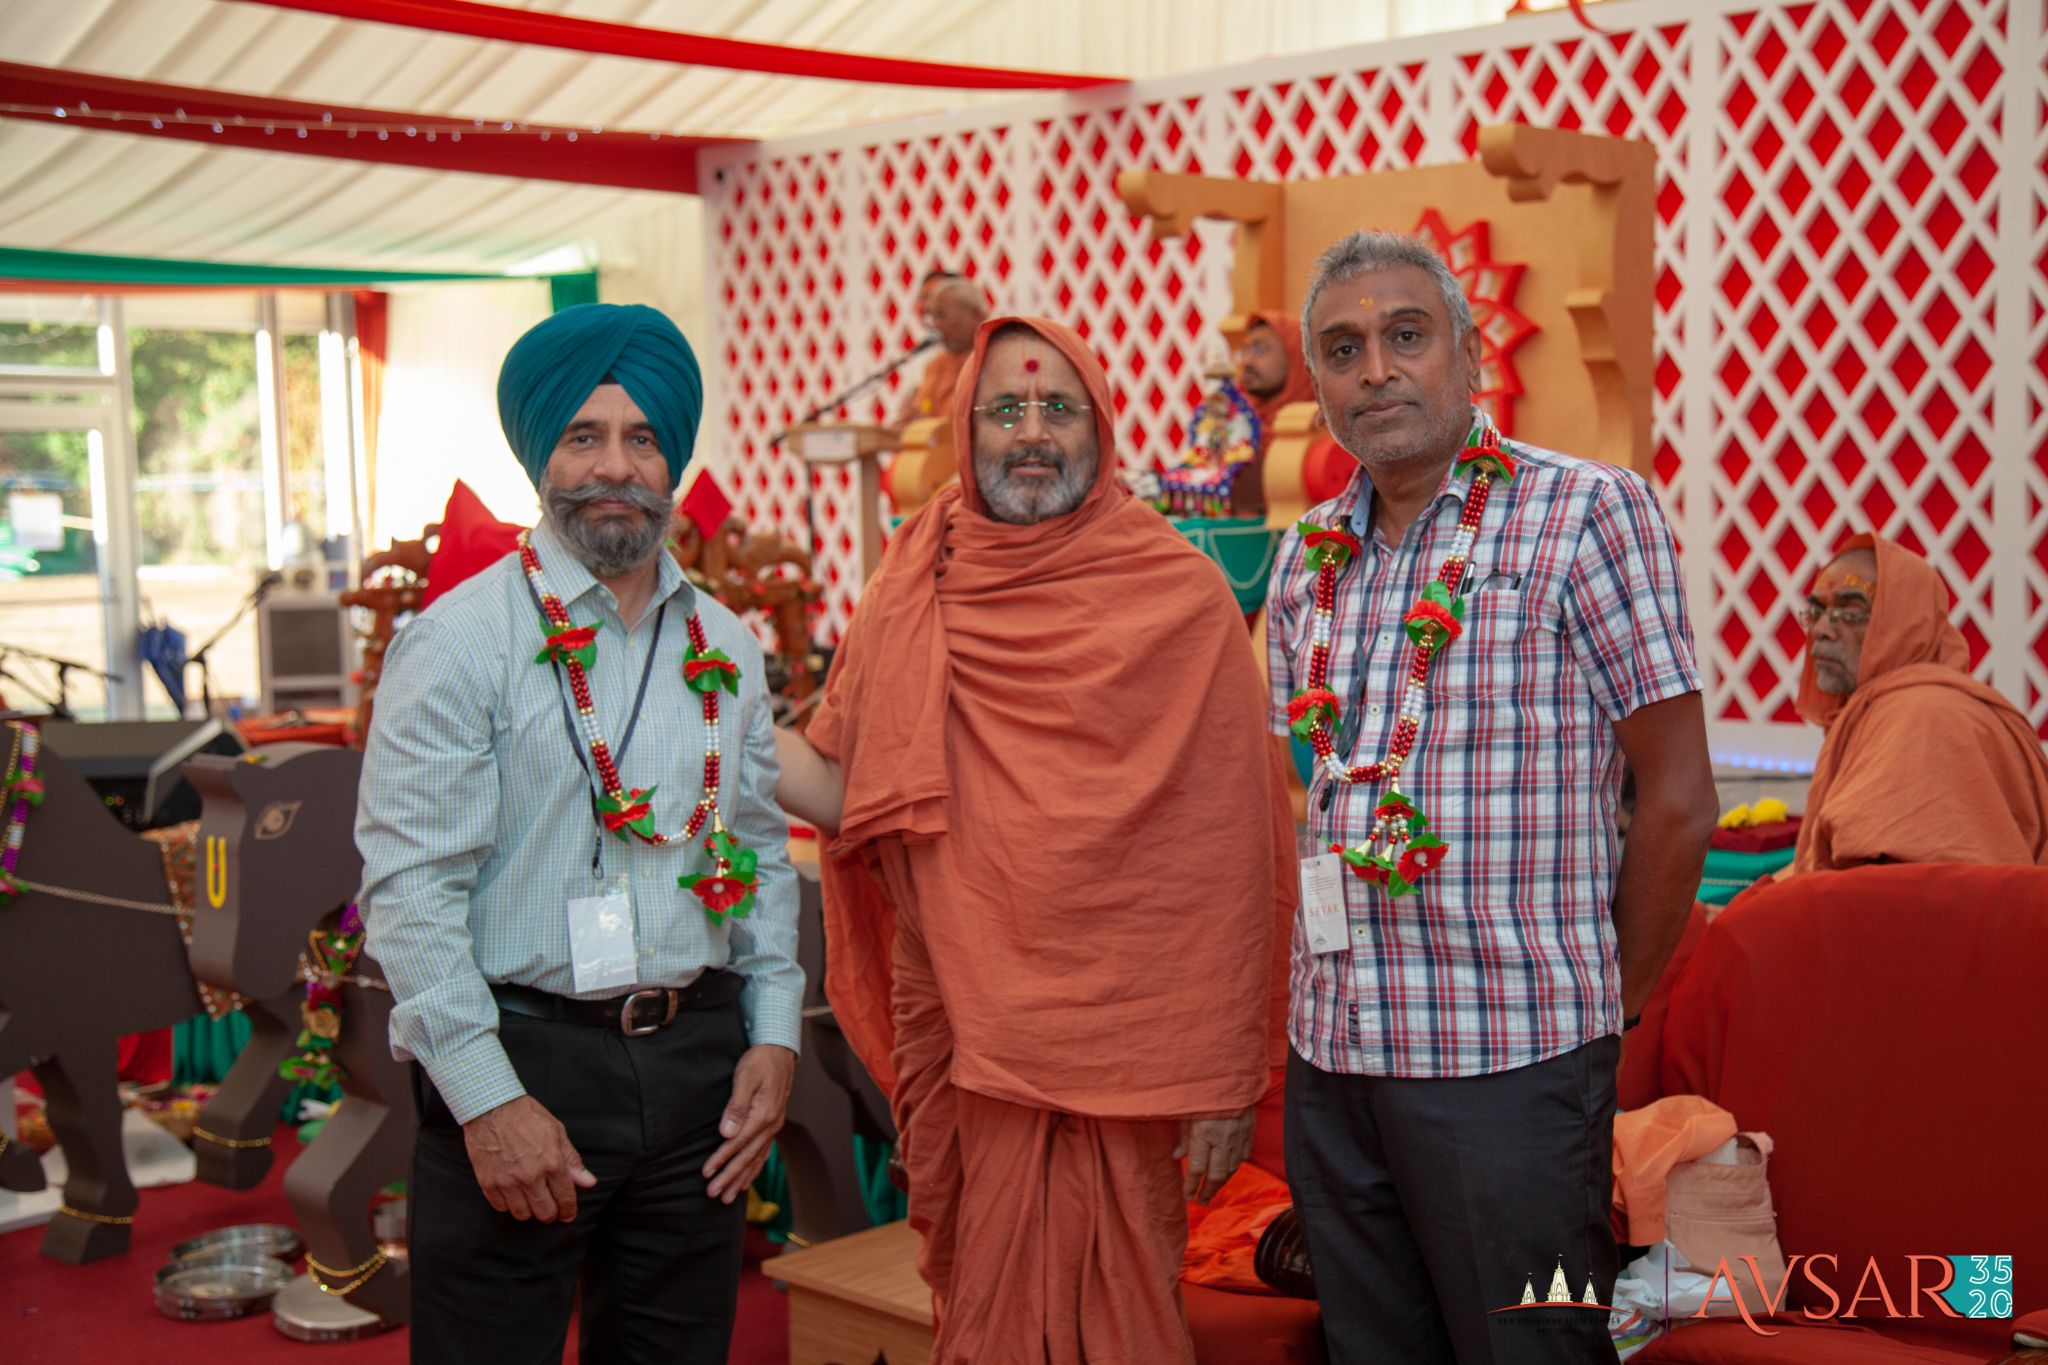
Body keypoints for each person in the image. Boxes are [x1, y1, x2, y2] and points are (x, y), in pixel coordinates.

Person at [777, 316, 1294, 1365]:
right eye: (1003, 409)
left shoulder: (1180, 601)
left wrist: (1226, 1079)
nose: (1029, 432)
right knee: (980, 1302)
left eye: (1057, 407)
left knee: (1119, 1316)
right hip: (965, 1032)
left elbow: (1232, 863)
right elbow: (848, 790)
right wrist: (701, 695)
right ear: (964, 432)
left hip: (1122, 1048)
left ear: (1100, 428)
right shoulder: (907, 590)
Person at [1265, 232, 1718, 1363]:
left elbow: (1676, 798)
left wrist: (1598, 1015)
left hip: (1508, 1068)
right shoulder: (1304, 556)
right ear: (1316, 385)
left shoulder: (1584, 514)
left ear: (1469, 358)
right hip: (1334, 1058)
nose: (1374, 369)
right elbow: (1301, 794)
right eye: (1342, 348)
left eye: (1404, 336)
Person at [358, 303, 803, 1365]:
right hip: (521, 1055)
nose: (616, 465)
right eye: (584, 436)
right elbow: (408, 892)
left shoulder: (727, 646)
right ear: (539, 455)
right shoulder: (461, 644)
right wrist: (486, 1100)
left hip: (697, 1068)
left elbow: (758, 853)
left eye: (643, 438)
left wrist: (774, 1033)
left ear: (673, 462)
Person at [1791, 533, 2048, 872]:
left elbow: (1902, 896)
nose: (1822, 629)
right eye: (1817, 611)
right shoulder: (1883, 710)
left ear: (1906, 622)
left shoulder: (1922, 717)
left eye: (1849, 610)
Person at [890, 276, 988, 431]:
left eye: (942, 315)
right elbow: (920, 413)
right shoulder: (936, 364)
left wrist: (925, 424)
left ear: (975, 314)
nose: (936, 325)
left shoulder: (992, 359)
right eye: (932, 316)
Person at [1234, 309, 1316, 451]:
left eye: (1259, 349)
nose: (1246, 361)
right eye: (1245, 350)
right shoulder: (1235, 416)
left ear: (1294, 356)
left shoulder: (1319, 426)